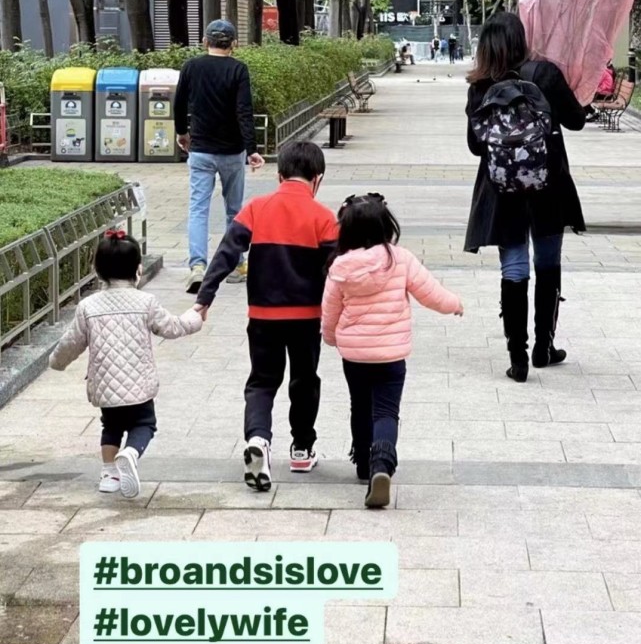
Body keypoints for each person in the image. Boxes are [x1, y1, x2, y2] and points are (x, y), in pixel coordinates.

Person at [194, 141, 338, 491]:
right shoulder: (324, 218)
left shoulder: (256, 208)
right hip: (306, 318)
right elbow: (338, 269)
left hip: (262, 316)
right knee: (305, 380)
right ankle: (302, 449)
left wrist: (205, 297)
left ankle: (258, 440)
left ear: (279, 175)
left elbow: (227, 252)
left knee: (261, 382)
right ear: (317, 179)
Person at [465, 13, 586, 383]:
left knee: (514, 268)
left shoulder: (480, 85)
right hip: (548, 185)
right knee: (548, 263)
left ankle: (517, 355)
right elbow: (576, 120)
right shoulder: (545, 74)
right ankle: (544, 347)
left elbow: (474, 146)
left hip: (502, 191)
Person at [322, 194, 463, 509]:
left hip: (355, 355)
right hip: (391, 355)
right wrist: (454, 303)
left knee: (359, 407)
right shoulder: (399, 258)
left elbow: (330, 308)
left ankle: (362, 464)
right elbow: (430, 292)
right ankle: (381, 466)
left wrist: (330, 337)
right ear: (386, 226)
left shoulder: (339, 267)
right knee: (386, 411)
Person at [49, 232, 203, 498]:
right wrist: (195, 317)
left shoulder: (88, 306)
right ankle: (131, 453)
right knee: (144, 424)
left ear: (97, 270)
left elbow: (71, 342)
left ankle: (109, 474)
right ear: (137, 269)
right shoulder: (146, 302)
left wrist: (56, 362)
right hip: (138, 384)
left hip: (106, 385)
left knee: (110, 426)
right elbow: (171, 327)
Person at [174, 19, 265, 295]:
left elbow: (179, 102)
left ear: (205, 42)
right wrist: (251, 149)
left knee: (198, 208)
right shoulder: (238, 69)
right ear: (234, 44)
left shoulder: (192, 67)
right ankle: (236, 265)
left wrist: (182, 133)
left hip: (200, 149)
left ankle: (198, 266)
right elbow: (243, 111)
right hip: (232, 152)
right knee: (234, 211)